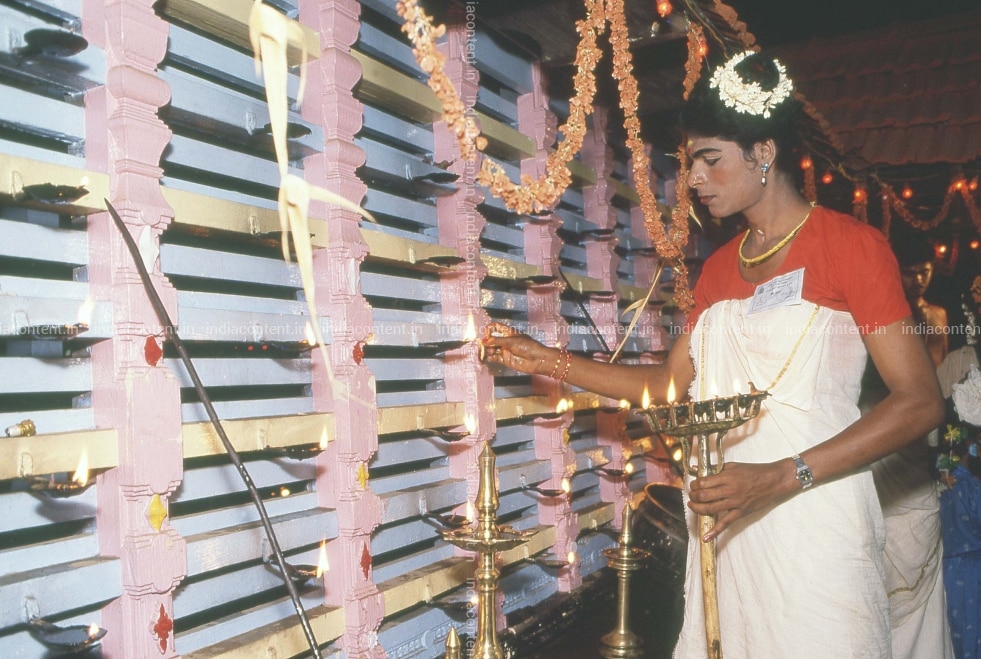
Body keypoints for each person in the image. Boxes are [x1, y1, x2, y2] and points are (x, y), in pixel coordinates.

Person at [482, 50, 944, 657]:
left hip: (814, 512)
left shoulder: (854, 247)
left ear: (764, 153)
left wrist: (782, 475)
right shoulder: (719, 268)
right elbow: (670, 386)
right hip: (728, 517)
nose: (693, 179)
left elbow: (919, 403)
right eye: (689, 162)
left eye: (709, 159)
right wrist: (550, 362)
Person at [894, 237, 949, 368]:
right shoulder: (888, 315)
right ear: (896, 271)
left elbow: (946, 363)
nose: (918, 280)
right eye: (909, 273)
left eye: (924, 272)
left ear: (932, 269)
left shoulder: (939, 314)